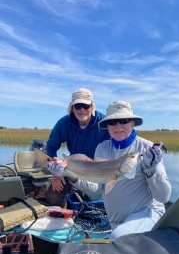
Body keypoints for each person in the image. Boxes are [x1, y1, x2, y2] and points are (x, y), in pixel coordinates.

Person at [48, 101, 171, 239]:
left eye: (124, 120)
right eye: (112, 122)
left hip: (148, 213)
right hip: (116, 223)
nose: (118, 126)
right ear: (107, 126)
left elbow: (164, 197)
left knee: (118, 237)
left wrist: (151, 171)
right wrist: (72, 175)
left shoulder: (147, 149)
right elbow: (95, 189)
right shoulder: (102, 148)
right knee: (117, 235)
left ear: (132, 123)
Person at [45, 88, 110, 207]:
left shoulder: (104, 123)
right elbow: (50, 147)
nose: (82, 110)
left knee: (99, 193)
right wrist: (56, 172)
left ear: (92, 106)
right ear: (72, 108)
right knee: (52, 197)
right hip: (72, 166)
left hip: (99, 168)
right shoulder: (64, 123)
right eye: (77, 106)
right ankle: (66, 215)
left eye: (86, 106)